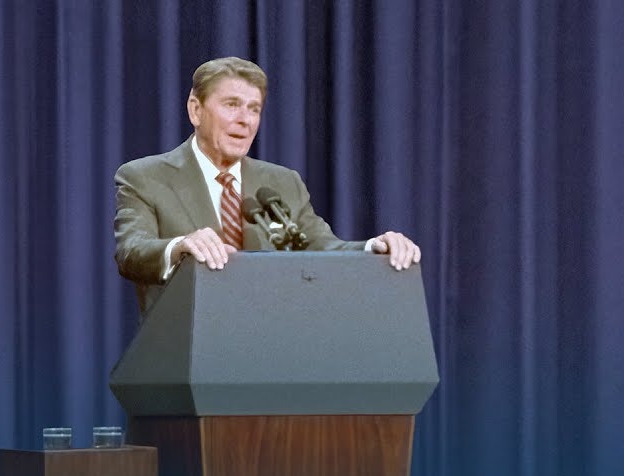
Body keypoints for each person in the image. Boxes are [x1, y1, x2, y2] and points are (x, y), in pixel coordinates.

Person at [114, 57, 420, 310]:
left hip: (274, 353)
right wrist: (180, 246)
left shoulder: (282, 183)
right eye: (232, 104)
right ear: (196, 109)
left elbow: (323, 248)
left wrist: (373, 249)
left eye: (254, 109)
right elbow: (132, 252)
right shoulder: (145, 177)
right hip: (183, 355)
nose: (245, 120)